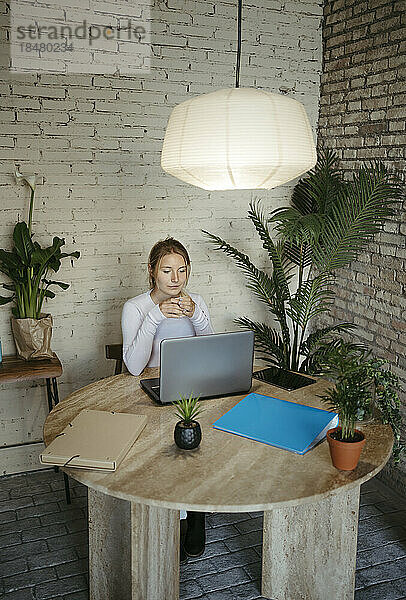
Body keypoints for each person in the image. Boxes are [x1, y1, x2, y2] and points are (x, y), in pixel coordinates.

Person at [121, 237, 214, 563]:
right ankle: (168, 518)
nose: (176, 279)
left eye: (182, 270)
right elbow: (134, 367)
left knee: (200, 447)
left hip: (193, 389)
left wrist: (197, 315)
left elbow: (211, 350)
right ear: (152, 271)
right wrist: (156, 316)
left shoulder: (196, 300)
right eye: (167, 270)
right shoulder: (135, 307)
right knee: (163, 455)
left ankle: (196, 515)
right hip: (151, 390)